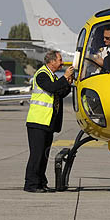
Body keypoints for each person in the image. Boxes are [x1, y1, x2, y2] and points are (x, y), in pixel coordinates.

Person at [24, 50, 74, 193]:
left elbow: (59, 93)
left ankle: (40, 183)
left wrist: (68, 83)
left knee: (44, 155)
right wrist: (64, 77)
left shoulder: (51, 76)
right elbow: (52, 88)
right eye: (59, 60)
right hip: (37, 121)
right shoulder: (42, 75)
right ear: (51, 61)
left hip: (48, 122)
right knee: (37, 155)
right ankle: (31, 184)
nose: (62, 62)